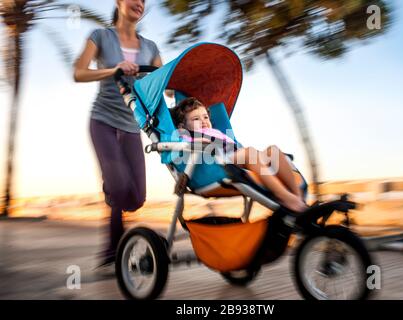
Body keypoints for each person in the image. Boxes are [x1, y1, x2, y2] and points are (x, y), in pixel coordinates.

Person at [73, 0, 162, 267]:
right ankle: (116, 249)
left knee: (135, 199)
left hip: (131, 126)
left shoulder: (151, 48)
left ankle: (111, 192)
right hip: (102, 122)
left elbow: (164, 84)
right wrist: (114, 70)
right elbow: (78, 72)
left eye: (144, 1)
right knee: (120, 187)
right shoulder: (100, 36)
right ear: (119, 2)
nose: (139, 3)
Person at [171, 97, 309, 213]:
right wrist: (197, 139)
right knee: (249, 153)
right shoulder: (187, 136)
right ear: (183, 126)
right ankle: (284, 196)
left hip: (238, 156)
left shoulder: (216, 132)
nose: (203, 121)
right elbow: (183, 143)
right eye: (196, 119)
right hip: (221, 163)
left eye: (205, 117)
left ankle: (298, 197)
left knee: (273, 150)